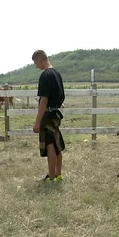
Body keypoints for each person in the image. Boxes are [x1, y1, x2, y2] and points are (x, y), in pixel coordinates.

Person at [31, 50, 66, 182]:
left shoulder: (45, 76)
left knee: (50, 144)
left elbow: (44, 99)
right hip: (56, 113)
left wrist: (38, 121)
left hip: (48, 114)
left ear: (41, 60)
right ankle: (58, 173)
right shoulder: (56, 74)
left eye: (36, 63)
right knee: (57, 142)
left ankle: (51, 176)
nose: (36, 66)